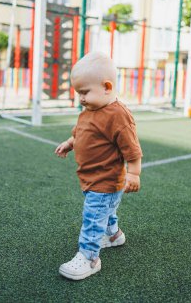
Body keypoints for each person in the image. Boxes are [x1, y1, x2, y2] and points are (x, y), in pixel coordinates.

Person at [55, 52, 143, 280]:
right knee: (106, 211)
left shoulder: (118, 115)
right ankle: (113, 235)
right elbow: (81, 133)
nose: (81, 98)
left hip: (106, 180)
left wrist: (133, 173)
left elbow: (132, 149)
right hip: (90, 177)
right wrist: (68, 143)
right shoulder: (89, 111)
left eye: (84, 92)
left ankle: (89, 257)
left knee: (93, 216)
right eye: (78, 93)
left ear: (106, 86)